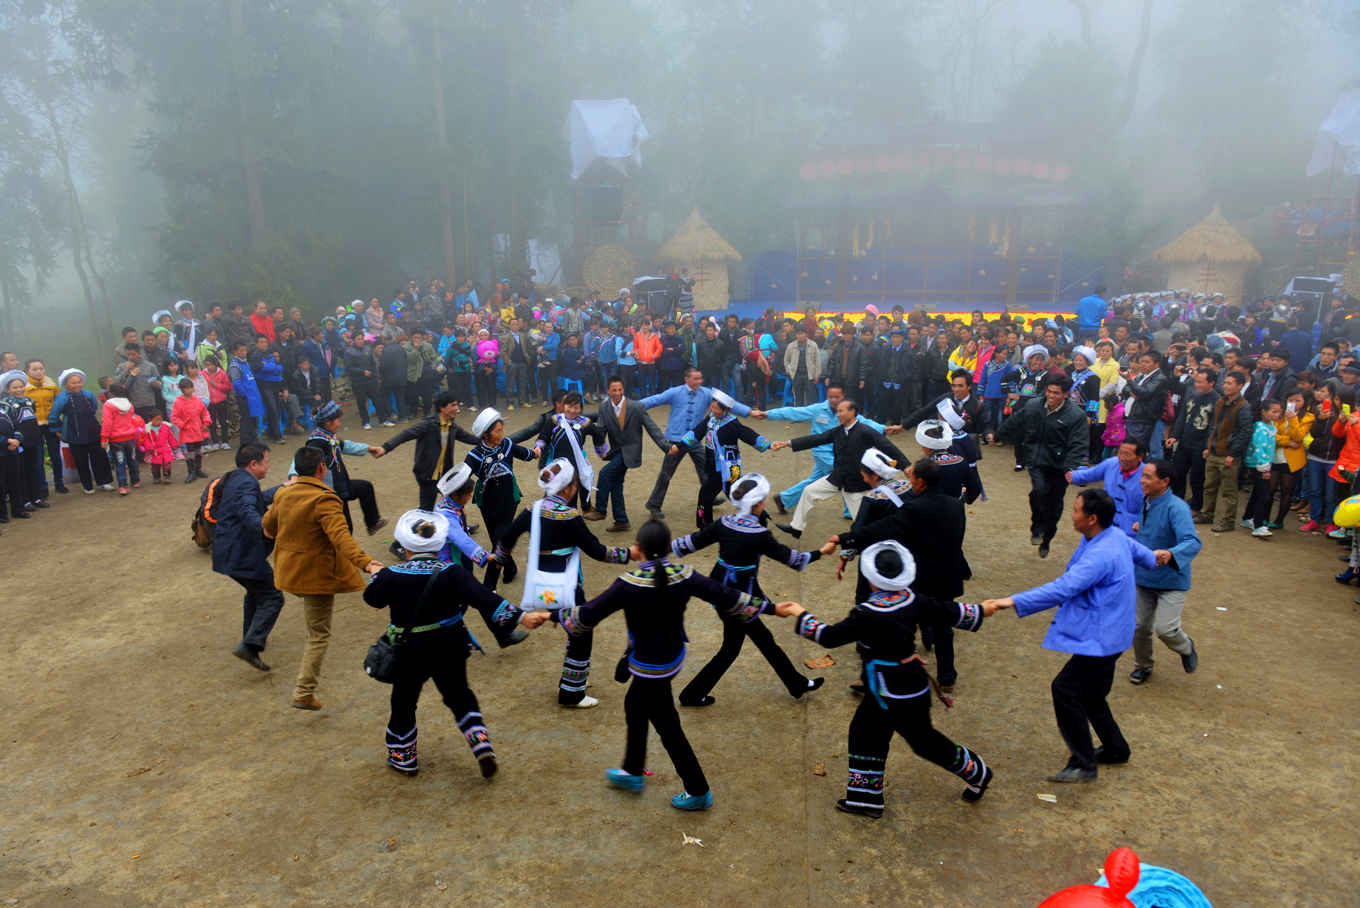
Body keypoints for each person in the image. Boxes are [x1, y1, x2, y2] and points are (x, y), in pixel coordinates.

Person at [520, 520, 791, 812]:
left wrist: (549, 617)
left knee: (667, 725)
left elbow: (588, 614)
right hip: (671, 658)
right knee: (635, 705)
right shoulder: (684, 575)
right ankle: (633, 770)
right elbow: (725, 595)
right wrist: (772, 608)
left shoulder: (629, 583)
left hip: (649, 666)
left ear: (640, 549)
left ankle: (697, 789)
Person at [771, 542, 998, 819]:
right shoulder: (913, 599)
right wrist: (981, 609)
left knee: (923, 742)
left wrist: (799, 612)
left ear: (870, 578)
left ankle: (977, 772)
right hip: (902, 686)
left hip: (895, 692)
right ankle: (865, 799)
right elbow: (949, 611)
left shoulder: (866, 613)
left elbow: (829, 637)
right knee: (866, 734)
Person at [983, 490, 1168, 783]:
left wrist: (1010, 601)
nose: (1072, 514)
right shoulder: (1112, 536)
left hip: (1103, 638)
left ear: (1092, 519)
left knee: (1065, 690)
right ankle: (1116, 748)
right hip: (1113, 633)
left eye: (1076, 510)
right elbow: (1138, 552)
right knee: (1092, 695)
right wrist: (1153, 557)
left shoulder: (1101, 554)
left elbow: (1063, 588)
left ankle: (1083, 762)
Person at [363, 510, 536, 778]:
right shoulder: (452, 572)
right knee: (460, 696)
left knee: (404, 701)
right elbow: (484, 598)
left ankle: (404, 758)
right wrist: (521, 617)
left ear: (406, 547)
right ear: (439, 544)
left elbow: (371, 599)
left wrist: (376, 573)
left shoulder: (392, 575)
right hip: (450, 644)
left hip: (410, 650)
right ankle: (480, 744)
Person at [670, 474, 832, 707]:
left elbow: (690, 542)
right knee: (736, 647)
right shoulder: (759, 534)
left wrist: (654, 549)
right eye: (763, 500)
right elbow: (794, 560)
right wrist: (822, 551)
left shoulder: (724, 523)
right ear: (757, 504)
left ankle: (796, 684)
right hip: (739, 598)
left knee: (754, 642)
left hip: (720, 589)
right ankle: (691, 695)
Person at [491, 459, 631, 707]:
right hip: (566, 584)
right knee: (581, 630)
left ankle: (572, 681)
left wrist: (500, 559)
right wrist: (628, 554)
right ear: (568, 489)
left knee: (573, 627)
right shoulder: (570, 516)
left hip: (543, 584)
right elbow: (597, 551)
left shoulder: (532, 510)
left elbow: (507, 537)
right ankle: (571, 692)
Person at [834, 457, 972, 693]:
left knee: (899, 626)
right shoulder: (956, 505)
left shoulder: (915, 508)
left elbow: (882, 528)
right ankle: (947, 677)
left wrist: (843, 539)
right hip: (948, 574)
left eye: (912, 477)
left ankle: (878, 678)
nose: (910, 481)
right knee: (944, 627)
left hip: (921, 576)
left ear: (920, 481)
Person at [263, 444, 383, 711]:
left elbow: (268, 526)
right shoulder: (324, 499)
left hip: (288, 572)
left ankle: (304, 691)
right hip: (314, 576)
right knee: (318, 634)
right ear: (321, 468)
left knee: (315, 628)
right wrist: (366, 563)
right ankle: (304, 691)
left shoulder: (284, 493)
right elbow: (341, 537)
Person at [770, 398, 907, 540]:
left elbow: (888, 447)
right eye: (837, 411)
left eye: (841, 411)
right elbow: (817, 438)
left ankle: (883, 545)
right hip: (837, 478)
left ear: (853, 412)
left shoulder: (866, 431)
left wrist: (906, 466)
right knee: (809, 491)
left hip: (855, 484)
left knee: (862, 524)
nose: (838, 414)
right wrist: (787, 443)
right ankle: (796, 527)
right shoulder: (838, 431)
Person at [755, 381, 891, 517]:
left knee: (816, 479)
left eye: (837, 397)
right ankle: (850, 510)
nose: (833, 400)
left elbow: (865, 422)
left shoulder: (848, 411)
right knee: (847, 474)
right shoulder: (818, 410)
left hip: (839, 452)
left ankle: (783, 499)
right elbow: (793, 412)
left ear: (843, 396)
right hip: (822, 453)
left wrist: (884, 429)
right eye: (830, 396)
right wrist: (768, 414)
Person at [639, 367, 752, 520]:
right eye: (696, 378)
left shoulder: (706, 393)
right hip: (675, 440)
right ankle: (653, 504)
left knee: (706, 469)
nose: (700, 381)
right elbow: (655, 399)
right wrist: (632, 406)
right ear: (687, 379)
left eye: (700, 378)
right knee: (666, 474)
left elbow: (729, 403)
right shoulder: (675, 392)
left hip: (694, 440)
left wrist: (749, 412)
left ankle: (709, 497)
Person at [995, 373, 1088, 558]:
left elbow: (1079, 444)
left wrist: (1070, 466)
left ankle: (1047, 539)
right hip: (1037, 460)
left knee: (1054, 505)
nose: (1051, 396)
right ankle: (1036, 527)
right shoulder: (1033, 405)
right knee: (1038, 491)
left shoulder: (1076, 415)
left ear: (1066, 394)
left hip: (1060, 465)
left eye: (1056, 393)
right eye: (1049, 392)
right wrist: (997, 435)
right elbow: (1015, 421)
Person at [212, 441, 284, 670]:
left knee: (256, 592)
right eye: (266, 462)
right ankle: (251, 645)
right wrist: (263, 526)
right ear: (253, 464)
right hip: (241, 554)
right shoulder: (245, 484)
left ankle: (249, 636)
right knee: (273, 596)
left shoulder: (236, 478)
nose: (268, 466)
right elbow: (247, 508)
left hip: (229, 552)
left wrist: (283, 488)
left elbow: (258, 499)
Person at [1129, 459, 1202, 685]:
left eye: (1148, 477)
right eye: (1143, 475)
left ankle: (1186, 647)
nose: (1142, 480)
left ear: (1165, 481)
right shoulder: (1147, 500)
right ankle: (1143, 665)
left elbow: (1192, 541)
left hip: (1171, 580)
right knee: (1139, 627)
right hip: (1144, 577)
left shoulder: (1177, 508)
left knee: (1166, 629)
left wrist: (1171, 554)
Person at [675, 389, 772, 527]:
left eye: (715, 407)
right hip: (713, 466)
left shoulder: (732, 424)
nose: (712, 409)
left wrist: (768, 445)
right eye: (712, 406)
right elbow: (697, 432)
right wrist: (680, 446)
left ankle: (706, 525)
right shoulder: (710, 419)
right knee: (732, 495)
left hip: (727, 468)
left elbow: (748, 434)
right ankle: (760, 518)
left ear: (724, 409)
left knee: (715, 495)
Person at [463, 407, 537, 584]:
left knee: (500, 537)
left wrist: (535, 453)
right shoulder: (474, 455)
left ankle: (494, 581)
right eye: (498, 431)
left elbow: (524, 454)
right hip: (486, 500)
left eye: (501, 429)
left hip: (508, 498)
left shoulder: (507, 444)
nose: (502, 433)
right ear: (486, 434)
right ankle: (510, 566)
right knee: (494, 537)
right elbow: (462, 478)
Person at [587, 375, 669, 532]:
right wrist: (601, 450)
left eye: (620, 389)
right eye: (614, 390)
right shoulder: (604, 408)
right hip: (616, 451)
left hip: (631, 451)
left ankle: (600, 510)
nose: (617, 393)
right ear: (608, 391)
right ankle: (621, 520)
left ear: (623, 390)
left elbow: (652, 428)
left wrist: (666, 446)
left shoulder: (636, 406)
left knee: (605, 473)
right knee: (616, 485)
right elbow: (601, 431)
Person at [379, 391, 480, 510]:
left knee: (456, 501)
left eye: (457, 405)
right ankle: (423, 527)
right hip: (427, 475)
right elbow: (405, 434)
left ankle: (461, 527)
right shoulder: (427, 425)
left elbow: (467, 437)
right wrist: (385, 447)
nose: (457, 408)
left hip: (445, 474)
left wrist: (487, 439)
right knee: (426, 509)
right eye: (453, 405)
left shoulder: (451, 426)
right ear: (442, 407)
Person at [303, 400, 387, 534]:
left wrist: (368, 448)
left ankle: (373, 523)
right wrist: (294, 477)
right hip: (331, 493)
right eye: (338, 420)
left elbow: (344, 445)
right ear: (328, 422)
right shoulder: (316, 442)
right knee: (345, 528)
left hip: (342, 485)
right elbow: (303, 461)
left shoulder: (328, 436)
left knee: (365, 487)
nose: (339, 424)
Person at [533, 391, 606, 513]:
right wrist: (538, 447)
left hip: (575, 468)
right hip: (557, 466)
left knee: (571, 500)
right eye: (569, 406)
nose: (572, 410)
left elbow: (598, 433)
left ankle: (571, 522)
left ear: (581, 409)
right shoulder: (554, 421)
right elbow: (543, 437)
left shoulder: (584, 423)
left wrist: (601, 451)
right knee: (551, 495)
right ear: (563, 406)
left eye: (576, 407)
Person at [1200, 371, 1253, 533]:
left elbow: (1245, 432)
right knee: (1209, 486)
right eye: (1225, 383)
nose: (1226, 386)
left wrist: (1233, 453)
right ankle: (1206, 514)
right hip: (1214, 450)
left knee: (1229, 491)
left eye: (1230, 383)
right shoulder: (1220, 402)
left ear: (1240, 386)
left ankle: (1228, 521)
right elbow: (1213, 426)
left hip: (1229, 454)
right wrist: (1208, 446)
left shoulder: (1243, 407)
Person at [46, 369, 113, 493]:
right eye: (73, 383)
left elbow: (94, 408)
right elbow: (53, 416)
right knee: (81, 461)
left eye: (79, 382)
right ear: (66, 384)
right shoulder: (62, 398)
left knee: (99, 457)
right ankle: (87, 485)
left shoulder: (88, 395)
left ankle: (104, 481)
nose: (77, 385)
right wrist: (58, 429)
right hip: (74, 434)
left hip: (93, 430)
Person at [1066, 439, 1145, 536]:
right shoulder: (1111, 464)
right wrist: (1073, 476)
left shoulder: (1147, 475)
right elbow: (1090, 474)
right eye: (1120, 453)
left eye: (1127, 454)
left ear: (1140, 457)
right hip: (1105, 526)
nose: (1122, 458)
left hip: (1131, 532)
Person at [1166, 368, 1219, 512]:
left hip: (1201, 444)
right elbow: (1182, 417)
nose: (1197, 385)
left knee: (1197, 477)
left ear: (1211, 383)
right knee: (1177, 472)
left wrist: (1209, 445)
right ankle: (1177, 499)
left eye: (1201, 382)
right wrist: (1174, 435)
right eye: (1196, 381)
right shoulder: (1191, 394)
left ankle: (1197, 504)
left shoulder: (1217, 400)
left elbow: (1214, 426)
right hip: (1185, 440)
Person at [1241, 399, 1282, 537]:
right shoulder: (1260, 428)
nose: (1276, 414)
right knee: (1264, 495)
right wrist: (1264, 467)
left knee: (1258, 493)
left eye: (1278, 412)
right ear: (1264, 412)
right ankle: (1258, 525)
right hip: (1258, 465)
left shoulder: (1271, 426)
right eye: (1273, 411)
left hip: (1264, 464)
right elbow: (1259, 449)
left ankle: (1247, 518)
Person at [23, 360, 65, 497]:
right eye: (34, 369)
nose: (38, 371)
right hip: (34, 426)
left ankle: (59, 483)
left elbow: (58, 402)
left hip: (51, 423)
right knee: (38, 457)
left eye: (41, 368)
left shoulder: (51, 384)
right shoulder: (23, 386)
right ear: (27, 371)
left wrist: (58, 420)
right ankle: (42, 487)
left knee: (55, 455)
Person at [101, 383, 144, 495]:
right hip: (130, 437)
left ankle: (123, 486)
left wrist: (104, 438)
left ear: (111, 393)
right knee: (132, 459)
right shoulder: (129, 404)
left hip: (116, 439)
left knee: (120, 462)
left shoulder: (108, 405)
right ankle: (136, 481)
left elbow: (107, 423)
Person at [171, 378, 211, 482]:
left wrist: (206, 422)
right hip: (187, 431)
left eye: (190, 388)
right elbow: (174, 417)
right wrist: (183, 425)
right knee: (190, 451)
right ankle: (191, 472)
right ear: (182, 390)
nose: (189, 390)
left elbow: (205, 412)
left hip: (198, 430)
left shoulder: (197, 400)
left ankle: (198, 469)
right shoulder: (178, 402)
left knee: (198, 450)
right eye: (186, 388)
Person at [138, 409, 176, 485]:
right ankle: (156, 477)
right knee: (155, 466)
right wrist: (149, 447)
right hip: (154, 451)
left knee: (167, 464)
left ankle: (167, 477)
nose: (159, 422)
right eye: (157, 420)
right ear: (150, 420)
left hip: (165, 449)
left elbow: (170, 437)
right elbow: (146, 440)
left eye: (161, 419)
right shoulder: (147, 430)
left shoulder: (165, 427)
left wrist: (174, 445)